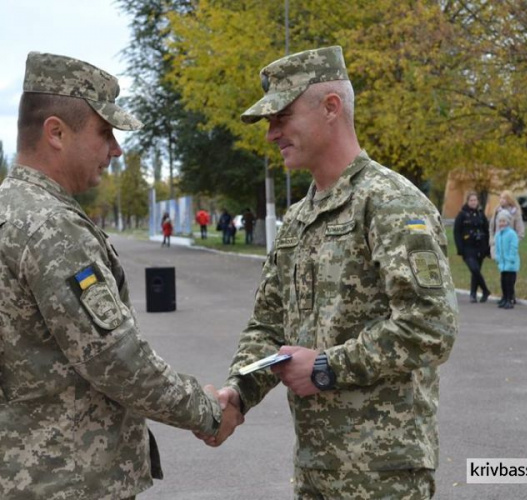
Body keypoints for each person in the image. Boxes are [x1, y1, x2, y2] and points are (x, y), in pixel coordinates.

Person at [0, 51, 242, 500]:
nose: (115, 149)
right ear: (56, 132)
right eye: (104, 132)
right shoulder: (50, 225)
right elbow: (117, 359)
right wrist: (207, 411)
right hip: (70, 480)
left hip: (22, 475)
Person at [199, 46, 458, 499]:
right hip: (316, 468)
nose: (271, 134)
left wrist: (325, 368)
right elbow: (268, 324)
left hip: (383, 472)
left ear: (331, 107)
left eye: (281, 117)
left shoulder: (389, 202)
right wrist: (238, 393)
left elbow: (431, 327)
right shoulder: (299, 219)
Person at [454, 192, 491, 303]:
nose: (473, 202)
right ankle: (485, 290)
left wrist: (488, 248)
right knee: (474, 269)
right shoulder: (462, 215)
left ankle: (473, 294)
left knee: (476, 271)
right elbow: (456, 232)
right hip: (468, 248)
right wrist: (460, 249)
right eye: (471, 200)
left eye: (475, 200)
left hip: (481, 247)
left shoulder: (480, 214)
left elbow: (487, 230)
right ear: (467, 201)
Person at [494, 211, 520, 309]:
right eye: (500, 221)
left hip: (511, 264)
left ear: (508, 222)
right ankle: (504, 297)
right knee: (503, 281)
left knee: (510, 283)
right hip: (502, 264)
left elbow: (514, 247)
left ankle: (510, 299)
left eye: (504, 221)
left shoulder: (511, 234)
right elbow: (497, 248)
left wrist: (510, 258)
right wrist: (498, 258)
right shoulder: (498, 235)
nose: (502, 223)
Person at [489, 190, 525, 258]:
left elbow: (520, 232)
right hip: (497, 246)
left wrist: (513, 243)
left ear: (509, 199)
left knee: (508, 267)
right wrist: (492, 241)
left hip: (509, 246)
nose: (501, 200)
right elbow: (491, 228)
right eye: (500, 198)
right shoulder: (497, 211)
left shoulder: (515, 213)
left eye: (504, 198)